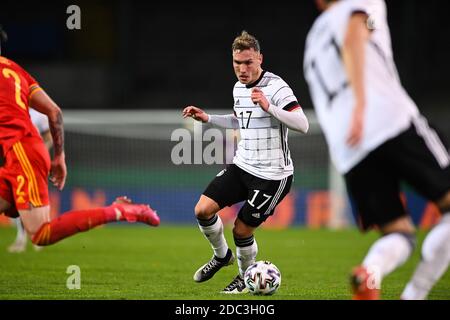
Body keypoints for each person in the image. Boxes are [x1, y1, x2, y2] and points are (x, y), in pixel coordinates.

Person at [304, 0, 450, 299]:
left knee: (398, 233)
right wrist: (361, 104)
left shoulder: (312, 42)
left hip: (350, 151)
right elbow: (355, 33)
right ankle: (414, 294)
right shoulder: (360, 4)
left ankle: (370, 272)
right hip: (388, 121)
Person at [0, 26, 160, 248]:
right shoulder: (16, 71)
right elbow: (54, 112)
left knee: (41, 234)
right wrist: (59, 156)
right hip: (24, 152)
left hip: (22, 153)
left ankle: (118, 211)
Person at [183, 31, 309, 293]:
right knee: (202, 210)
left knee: (241, 229)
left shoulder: (276, 87)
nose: (242, 69)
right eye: (237, 63)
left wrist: (269, 107)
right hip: (242, 165)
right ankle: (221, 256)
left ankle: (244, 278)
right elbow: (240, 120)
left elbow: (303, 124)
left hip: (272, 176)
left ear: (260, 59)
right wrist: (207, 118)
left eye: (248, 62)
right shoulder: (238, 88)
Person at [8, 108, 52, 253]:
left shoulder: (38, 114)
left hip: (34, 164)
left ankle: (39, 237)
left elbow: (48, 138)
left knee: (36, 200)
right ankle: (21, 238)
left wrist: (37, 154)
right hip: (16, 163)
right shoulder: (11, 111)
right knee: (19, 200)